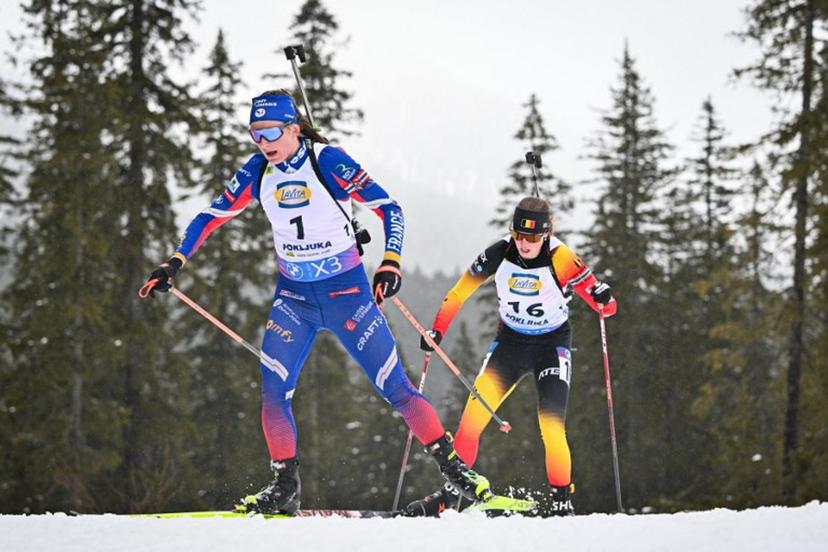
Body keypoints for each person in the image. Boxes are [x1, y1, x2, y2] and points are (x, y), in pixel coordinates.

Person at [143, 90, 491, 515]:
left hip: (347, 295)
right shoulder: (257, 171)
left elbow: (388, 207)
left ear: (293, 128)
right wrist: (174, 262)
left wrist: (391, 263)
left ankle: (457, 472)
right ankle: (284, 486)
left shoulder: (327, 160)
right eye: (255, 134)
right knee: (274, 391)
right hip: (294, 299)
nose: (262, 142)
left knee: (395, 387)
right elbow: (210, 216)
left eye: (271, 131)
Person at [405, 196, 617, 517]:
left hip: (551, 346)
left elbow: (606, 308)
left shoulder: (561, 258)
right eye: (519, 235)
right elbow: (458, 293)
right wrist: (437, 331)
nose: (525, 243)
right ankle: (449, 497)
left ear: (546, 234)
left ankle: (562, 503)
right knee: (471, 422)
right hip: (510, 344)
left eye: (532, 237)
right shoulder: (498, 253)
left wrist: (603, 296)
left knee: (551, 427)